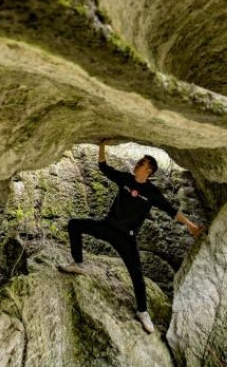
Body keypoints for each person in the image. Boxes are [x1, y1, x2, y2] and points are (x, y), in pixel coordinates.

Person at [58, 139, 204, 334]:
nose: (137, 165)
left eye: (141, 163)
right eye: (138, 162)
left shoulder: (152, 192)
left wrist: (192, 227)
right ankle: (78, 263)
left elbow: (171, 211)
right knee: (74, 225)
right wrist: (102, 146)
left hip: (126, 238)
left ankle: (143, 313)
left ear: (149, 171)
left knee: (137, 275)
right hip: (107, 226)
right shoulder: (125, 179)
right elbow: (104, 167)